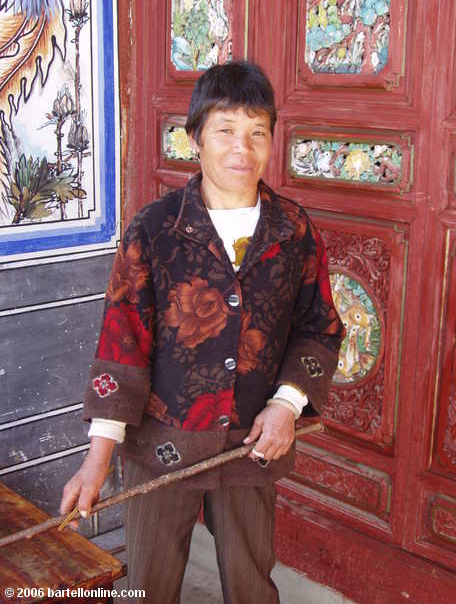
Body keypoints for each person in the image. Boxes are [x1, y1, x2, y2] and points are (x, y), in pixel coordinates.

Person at [60, 60, 345, 604]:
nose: (243, 148)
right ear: (195, 139)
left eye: (257, 132)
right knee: (149, 584)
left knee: (250, 581)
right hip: (159, 447)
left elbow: (320, 326)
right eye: (226, 130)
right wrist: (98, 459)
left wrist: (287, 405)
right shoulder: (155, 228)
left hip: (249, 446)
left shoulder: (294, 229)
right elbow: (123, 343)